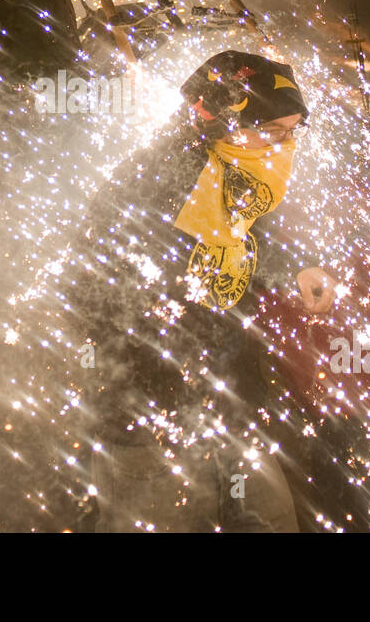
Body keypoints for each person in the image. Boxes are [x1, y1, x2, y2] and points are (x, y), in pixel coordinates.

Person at [58, 49, 332, 531]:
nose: (285, 146)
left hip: (232, 411)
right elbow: (80, 295)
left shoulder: (240, 174)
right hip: (148, 431)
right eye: (273, 131)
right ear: (221, 120)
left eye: (293, 132)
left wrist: (296, 268)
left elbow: (250, 239)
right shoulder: (151, 184)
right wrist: (161, 380)